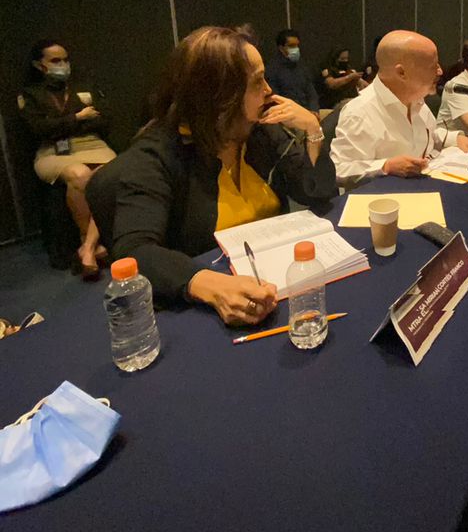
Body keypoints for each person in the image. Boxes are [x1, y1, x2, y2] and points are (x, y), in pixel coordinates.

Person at [85, 26, 334, 326]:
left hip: (272, 287)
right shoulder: (157, 155)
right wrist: (209, 285)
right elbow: (135, 250)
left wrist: (313, 130)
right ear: (221, 96)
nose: (269, 90)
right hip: (205, 311)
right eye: (258, 81)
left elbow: (316, 192)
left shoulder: (259, 131)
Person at [332, 31, 468, 187]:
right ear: (401, 73)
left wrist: (456, 138)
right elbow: (338, 170)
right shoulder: (360, 112)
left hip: (419, 188)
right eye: (432, 66)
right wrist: (386, 166)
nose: (440, 71)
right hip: (382, 201)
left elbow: (428, 135)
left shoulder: (415, 98)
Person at [20, 40, 117, 276]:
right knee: (80, 174)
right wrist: (78, 118)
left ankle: (88, 247)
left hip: (93, 145)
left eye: (65, 59)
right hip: (52, 152)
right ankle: (88, 238)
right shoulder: (31, 94)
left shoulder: (84, 86)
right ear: (39, 64)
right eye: (55, 60)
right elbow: (38, 130)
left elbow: (104, 120)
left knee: (113, 173)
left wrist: (60, 124)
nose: (63, 64)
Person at [264, 28, 319, 111]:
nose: (296, 49)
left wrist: (314, 109)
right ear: (281, 48)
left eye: (297, 45)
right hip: (286, 113)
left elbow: (312, 93)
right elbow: (274, 99)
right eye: (291, 46)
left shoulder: (302, 66)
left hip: (306, 111)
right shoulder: (272, 70)